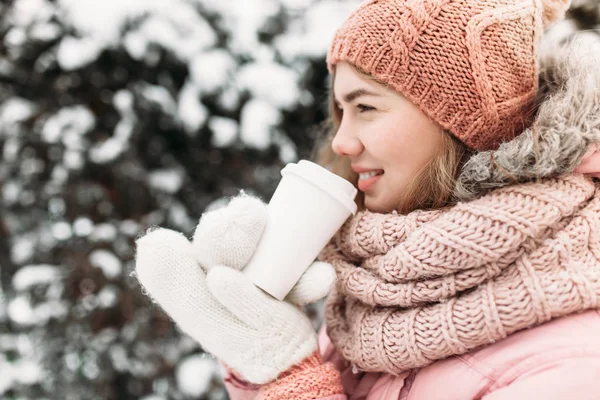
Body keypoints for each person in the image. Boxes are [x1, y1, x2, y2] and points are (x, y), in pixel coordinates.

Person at [134, 0, 600, 398]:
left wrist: (288, 379)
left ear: (462, 123)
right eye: (340, 112)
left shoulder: (574, 360)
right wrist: (261, 355)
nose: (341, 141)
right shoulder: (376, 292)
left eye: (365, 107)